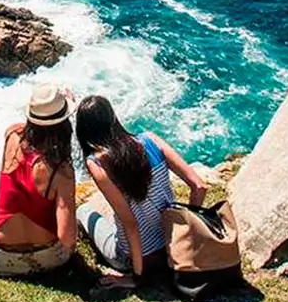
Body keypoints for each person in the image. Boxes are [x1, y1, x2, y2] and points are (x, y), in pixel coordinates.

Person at [75, 94, 206, 289]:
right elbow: (199, 186)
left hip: (134, 258)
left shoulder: (97, 163)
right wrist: (185, 236)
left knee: (84, 211)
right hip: (172, 249)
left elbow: (131, 224)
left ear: (84, 130)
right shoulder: (150, 139)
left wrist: (136, 277)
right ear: (113, 118)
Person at [0, 83, 79, 277]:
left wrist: (51, 111)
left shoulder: (12, 135)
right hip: (47, 258)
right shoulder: (61, 171)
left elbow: (29, 132)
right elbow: (67, 238)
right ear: (63, 124)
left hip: (1, 256)